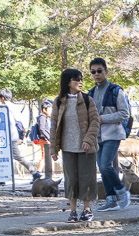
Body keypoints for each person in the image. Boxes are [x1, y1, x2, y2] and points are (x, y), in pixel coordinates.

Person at [51, 68, 101, 223]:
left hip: (86, 147)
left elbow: (94, 121)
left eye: (81, 79)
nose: (80, 82)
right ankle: (72, 211)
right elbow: (54, 126)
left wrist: (88, 139)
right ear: (68, 82)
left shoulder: (87, 100)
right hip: (67, 147)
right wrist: (53, 148)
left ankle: (87, 209)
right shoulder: (59, 102)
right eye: (76, 79)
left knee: (87, 178)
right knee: (71, 179)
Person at [87, 57, 132, 212]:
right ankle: (110, 199)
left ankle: (121, 191)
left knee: (106, 165)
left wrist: (102, 119)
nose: (96, 74)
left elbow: (124, 113)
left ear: (106, 71)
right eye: (93, 72)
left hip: (112, 133)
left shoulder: (115, 90)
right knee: (102, 166)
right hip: (97, 136)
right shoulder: (91, 92)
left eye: (99, 71)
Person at [0, 89, 42, 182]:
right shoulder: (14, 107)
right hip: (14, 135)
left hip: (7, 135)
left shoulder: (3, 108)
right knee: (10, 155)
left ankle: (34, 172)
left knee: (15, 156)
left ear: (2, 98)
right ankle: (1, 176)